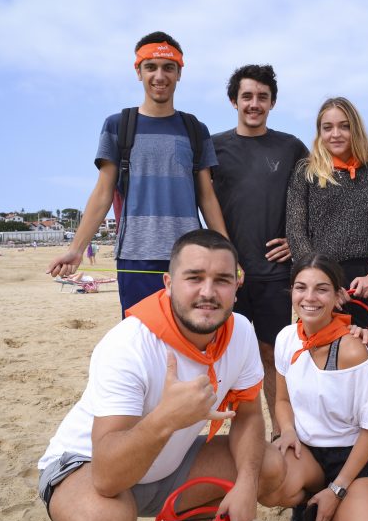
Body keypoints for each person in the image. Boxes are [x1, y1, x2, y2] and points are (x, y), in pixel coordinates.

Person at [37, 230, 285, 521]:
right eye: (194, 278)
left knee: (268, 466)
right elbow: (105, 478)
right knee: (106, 520)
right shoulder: (129, 343)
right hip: (87, 466)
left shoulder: (240, 332)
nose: (208, 292)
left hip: (168, 466)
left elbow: (248, 417)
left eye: (222, 279)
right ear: (168, 284)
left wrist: (246, 484)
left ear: (236, 286)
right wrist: (167, 417)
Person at [47, 31, 231, 318]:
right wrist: (76, 249)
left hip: (189, 255)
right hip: (135, 254)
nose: (160, 76)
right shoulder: (118, 125)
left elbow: (207, 197)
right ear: (138, 72)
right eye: (151, 67)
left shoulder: (196, 129)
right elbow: (102, 193)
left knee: (189, 337)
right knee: (139, 340)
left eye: (168, 67)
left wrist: (226, 251)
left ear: (179, 73)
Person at [212, 64, 309, 440]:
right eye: (247, 96)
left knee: (273, 357)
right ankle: (232, 438)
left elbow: (310, 199)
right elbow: (203, 200)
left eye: (262, 97)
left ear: (273, 102)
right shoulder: (215, 147)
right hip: (228, 274)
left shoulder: (291, 147)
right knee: (227, 358)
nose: (254, 104)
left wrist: (295, 239)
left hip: (273, 274)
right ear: (234, 100)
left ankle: (281, 434)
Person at [270, 253, 368, 521]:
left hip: (351, 455)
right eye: (301, 287)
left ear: (338, 296)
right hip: (308, 452)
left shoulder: (352, 350)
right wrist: (287, 431)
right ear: (292, 292)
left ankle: (335, 499)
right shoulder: (286, 339)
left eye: (321, 289)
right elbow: (282, 400)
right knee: (266, 471)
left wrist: (338, 489)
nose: (309, 297)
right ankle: (305, 503)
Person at [286, 97, 368, 328]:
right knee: (321, 351)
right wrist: (322, 282)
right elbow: (296, 232)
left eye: (344, 126)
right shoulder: (306, 172)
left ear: (355, 128)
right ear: (320, 132)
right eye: (327, 127)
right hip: (322, 278)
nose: (335, 133)